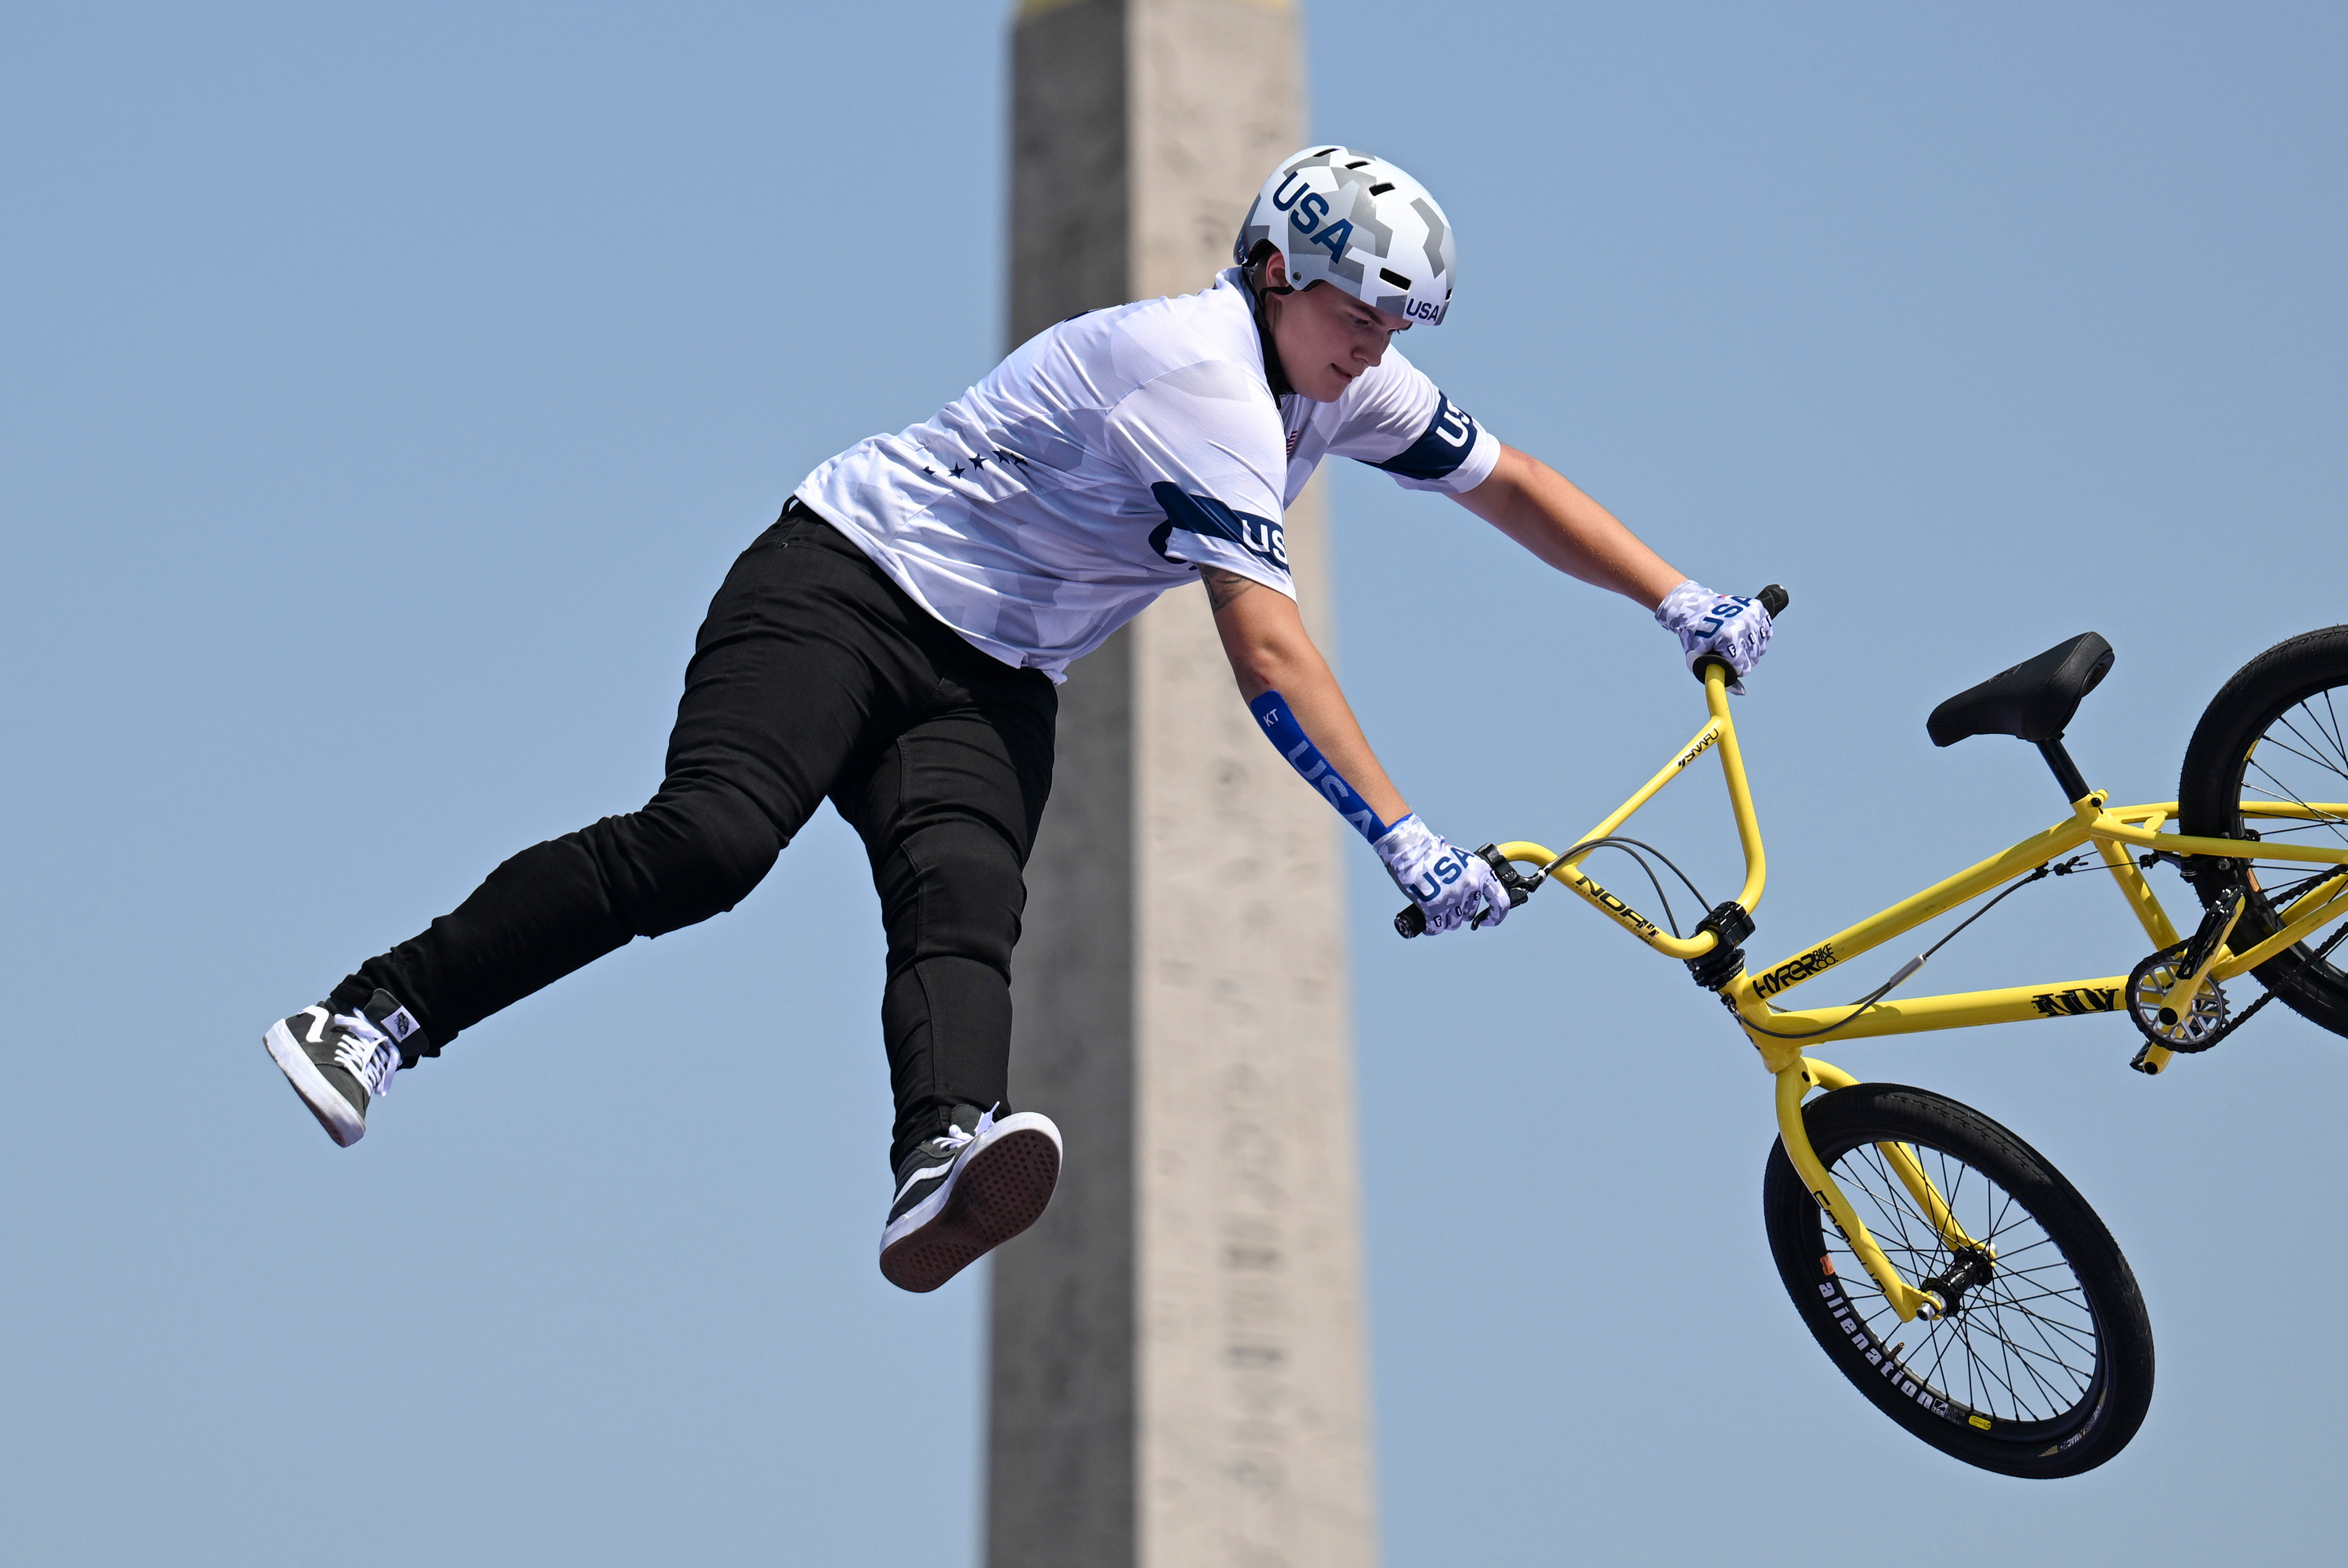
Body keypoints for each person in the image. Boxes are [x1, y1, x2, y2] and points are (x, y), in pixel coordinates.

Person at [263, 146, 1775, 1292]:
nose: (1375, 345)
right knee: (712, 845)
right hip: (844, 586)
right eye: (1354, 310)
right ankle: (372, 1015)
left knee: (965, 910)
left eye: (1399, 322)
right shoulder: (1200, 381)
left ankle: (941, 1156)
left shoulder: (1335, 385)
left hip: (991, 670)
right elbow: (1266, 649)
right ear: (1271, 269)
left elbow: (1512, 485)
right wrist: (1405, 837)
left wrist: (1680, 597)